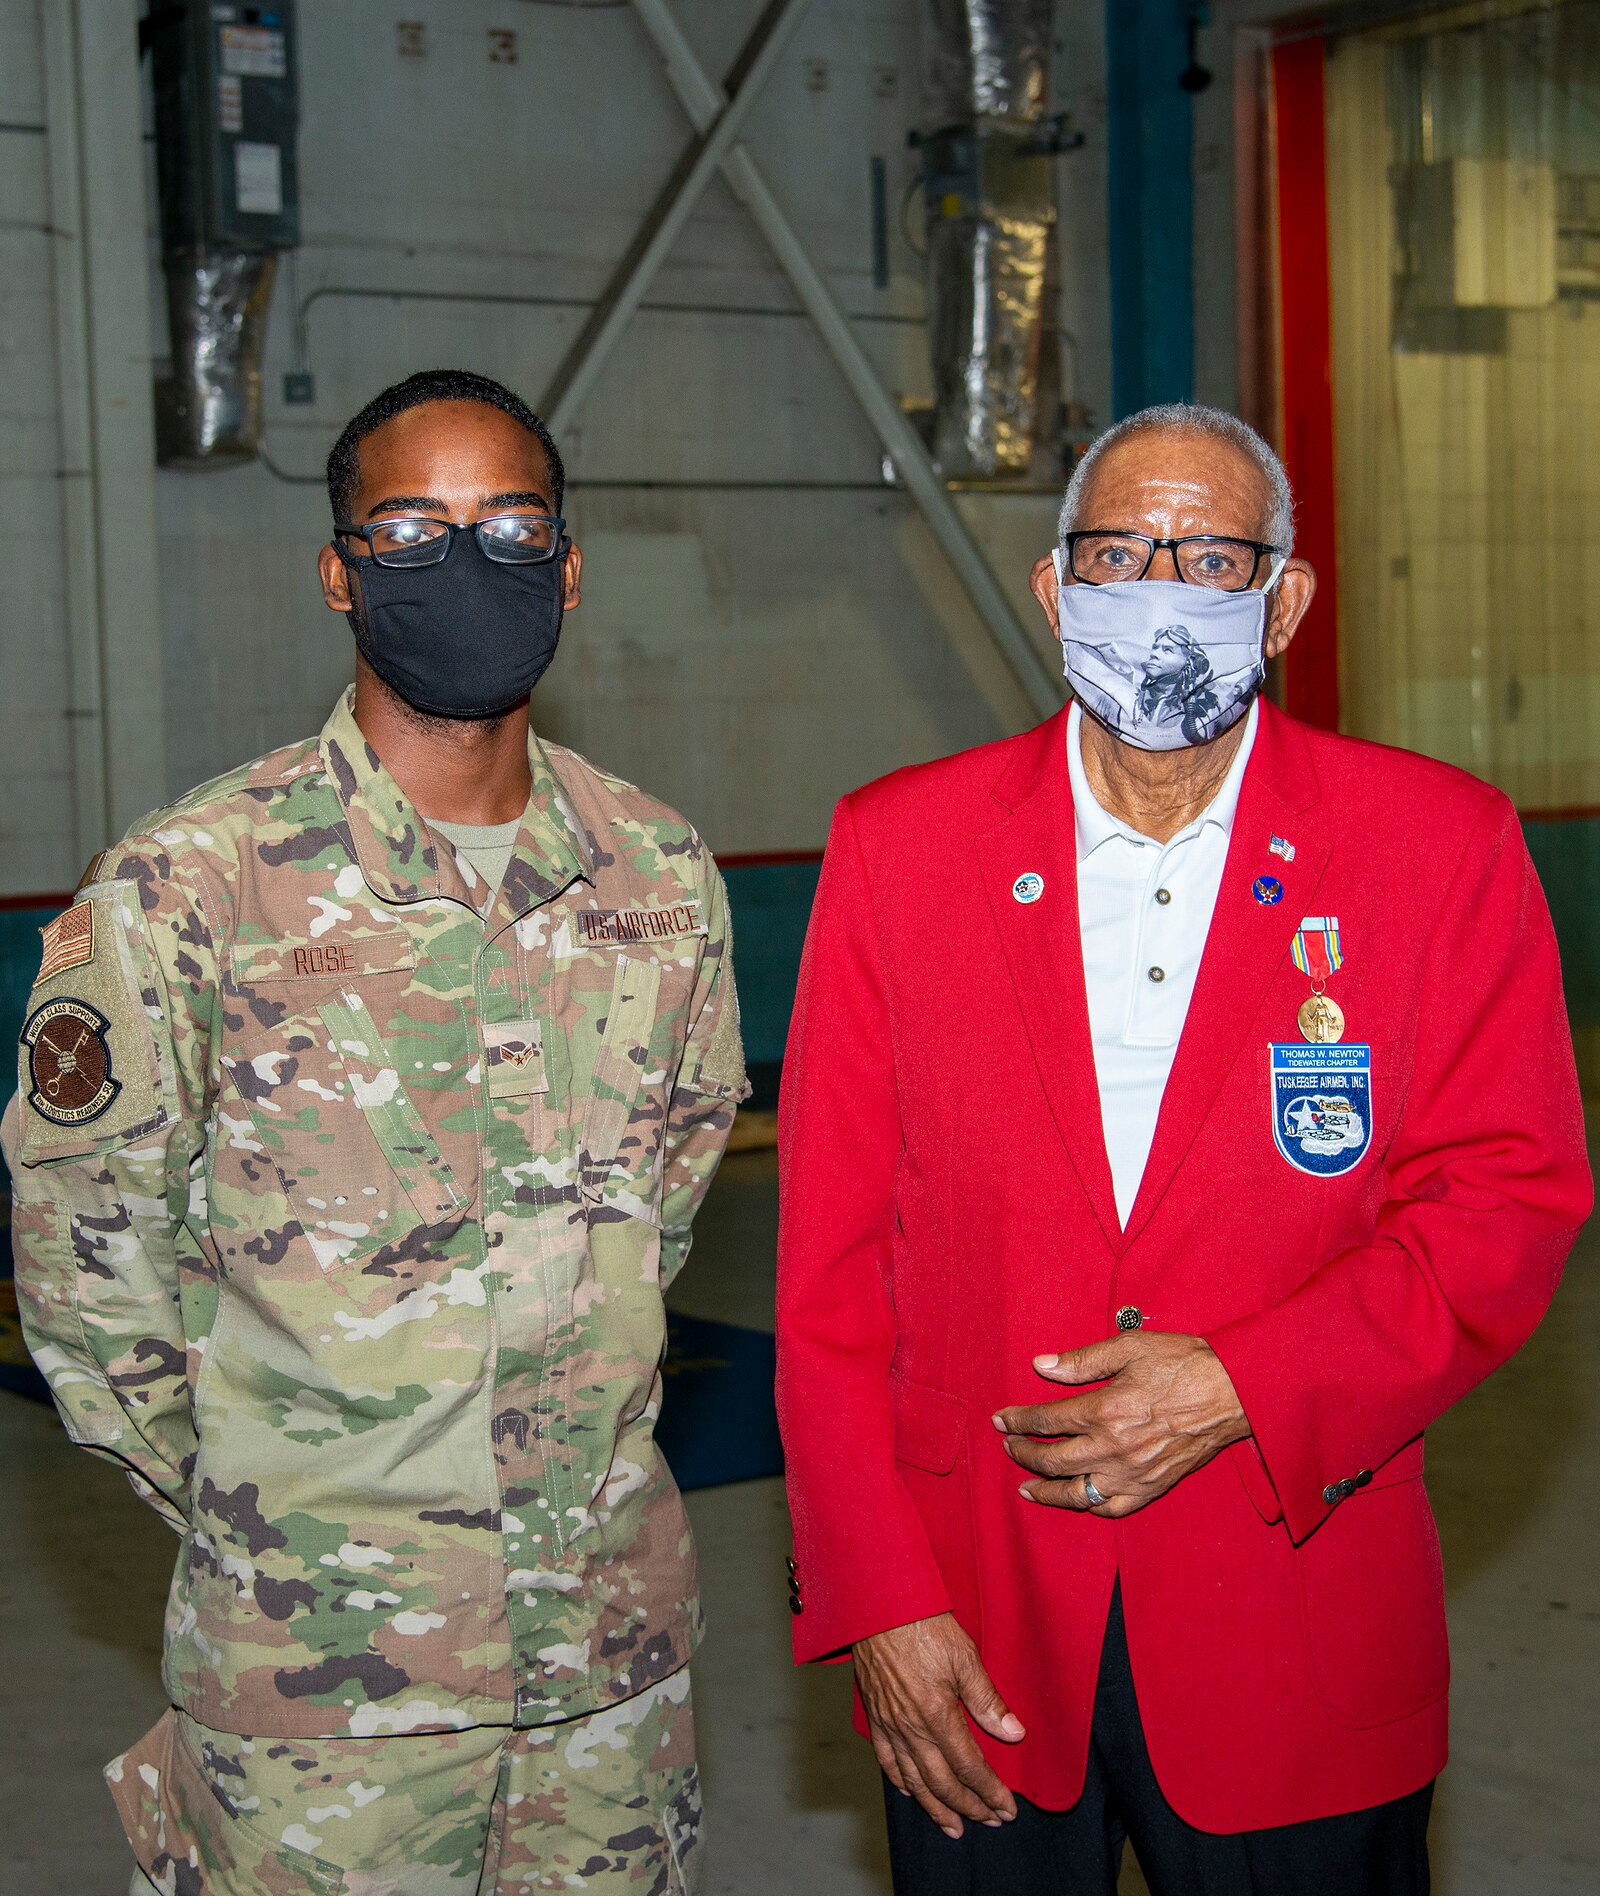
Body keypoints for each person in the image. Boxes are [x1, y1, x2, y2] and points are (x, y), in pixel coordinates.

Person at [775, 402, 1589, 1894]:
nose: (1161, 585)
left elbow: (1505, 1198)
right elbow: (830, 1275)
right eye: (1117, 551)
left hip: (1297, 1624)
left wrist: (1243, 1383)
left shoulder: (1437, 846)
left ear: (1283, 600)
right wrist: (881, 1603)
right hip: (977, 1639)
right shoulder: (902, 850)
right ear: (1052, 589)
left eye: (1212, 557)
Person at [5, 368, 748, 1895]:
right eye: (409, 529)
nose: (462, 564)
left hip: (608, 1663)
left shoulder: (659, 873)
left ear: (569, 564)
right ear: (340, 570)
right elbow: (89, 1269)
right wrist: (267, 1504)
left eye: (508, 525)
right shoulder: (190, 885)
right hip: (320, 1692)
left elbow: (661, 1209)